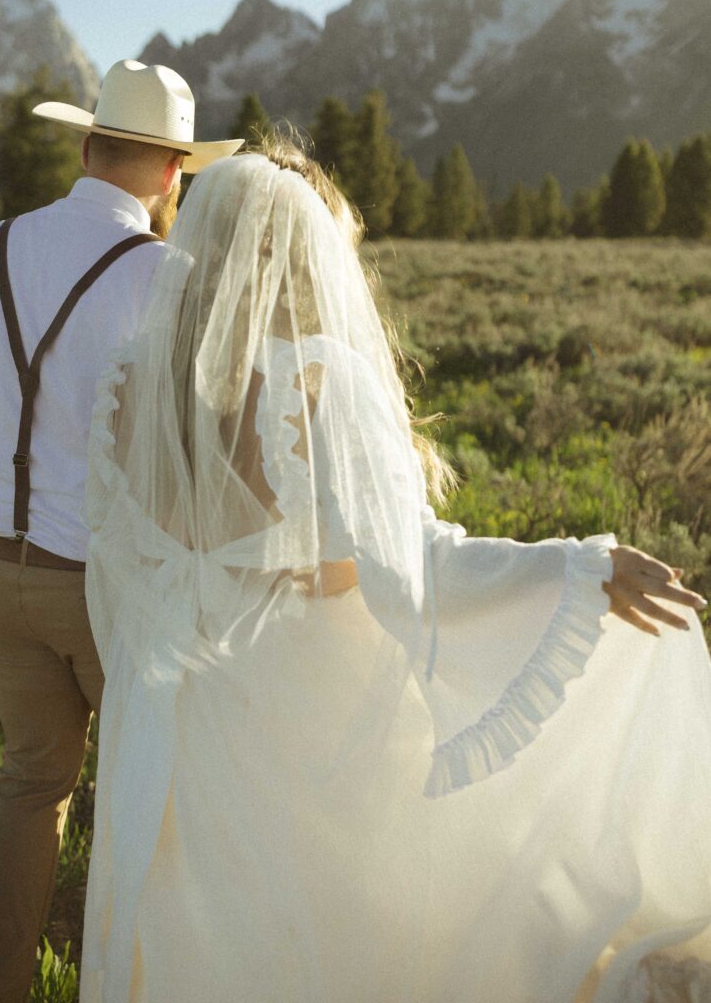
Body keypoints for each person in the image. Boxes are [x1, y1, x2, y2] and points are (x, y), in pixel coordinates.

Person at [80, 137, 711, 1003]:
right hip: (292, 726)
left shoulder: (132, 385)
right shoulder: (318, 381)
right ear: (307, 262)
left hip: (170, 727)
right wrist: (578, 567)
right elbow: (418, 571)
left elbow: (117, 571)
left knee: (198, 940)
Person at [0, 58, 242, 1003]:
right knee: (147, 797)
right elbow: (196, 444)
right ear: (175, 172)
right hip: (96, 584)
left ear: (87, 146)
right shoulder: (167, 280)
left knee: (28, 780)